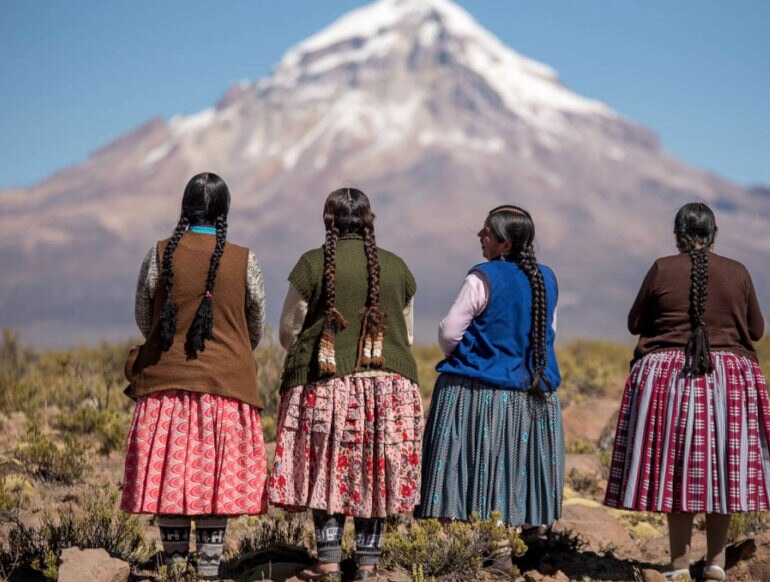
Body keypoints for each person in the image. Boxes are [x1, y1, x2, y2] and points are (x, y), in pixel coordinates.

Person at [602, 202, 770, 581]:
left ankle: (679, 565)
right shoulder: (738, 271)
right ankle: (716, 562)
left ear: (677, 235)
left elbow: (635, 322)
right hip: (731, 378)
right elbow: (757, 330)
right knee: (724, 468)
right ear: (714, 234)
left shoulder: (661, 268)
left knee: (677, 468)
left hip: (670, 377)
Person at [266, 187, 423, 581]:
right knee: (374, 470)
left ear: (328, 221)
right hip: (388, 388)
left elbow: (289, 329)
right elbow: (408, 333)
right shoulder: (398, 267)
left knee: (328, 470)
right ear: (369, 220)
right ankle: (368, 566)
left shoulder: (311, 263)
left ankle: (330, 562)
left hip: (326, 385)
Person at [121, 172, 267, 580]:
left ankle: (174, 568)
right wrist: (230, 351)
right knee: (213, 481)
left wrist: (171, 342)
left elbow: (144, 316)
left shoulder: (159, 254)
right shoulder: (245, 260)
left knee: (172, 476)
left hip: (165, 387)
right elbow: (253, 324)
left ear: (185, 208)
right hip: (226, 388)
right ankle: (207, 570)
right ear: (224, 211)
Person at [416, 205, 564, 541]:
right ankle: (521, 535)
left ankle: (483, 542)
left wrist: (470, 359)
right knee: (515, 469)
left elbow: (450, 332)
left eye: (487, 232)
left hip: (482, 391)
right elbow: (548, 332)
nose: (481, 237)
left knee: (473, 464)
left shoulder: (482, 277)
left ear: (505, 244)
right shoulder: (547, 278)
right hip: (532, 391)